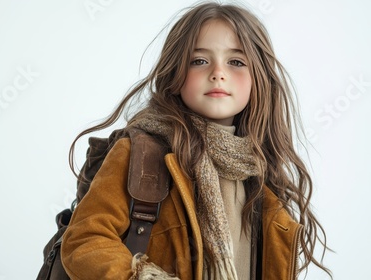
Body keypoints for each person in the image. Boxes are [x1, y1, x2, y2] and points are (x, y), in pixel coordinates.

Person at [61, 2, 331, 279]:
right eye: (199, 61)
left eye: (236, 62)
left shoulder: (262, 175)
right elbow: (85, 240)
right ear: (176, 74)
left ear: (258, 79)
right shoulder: (142, 154)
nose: (218, 73)